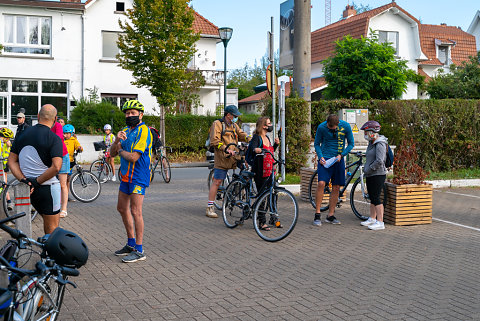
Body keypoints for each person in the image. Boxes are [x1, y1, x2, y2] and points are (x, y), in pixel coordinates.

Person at [8, 104, 63, 235]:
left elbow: (11, 161)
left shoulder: (21, 134)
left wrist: (24, 180)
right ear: (55, 119)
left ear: (38, 117)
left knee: (47, 223)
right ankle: (49, 255)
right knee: (52, 228)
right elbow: (56, 167)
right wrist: (37, 181)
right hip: (48, 188)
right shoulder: (54, 138)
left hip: (29, 189)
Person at [109, 100, 152, 263]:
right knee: (121, 208)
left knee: (136, 211)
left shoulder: (144, 131)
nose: (129, 116)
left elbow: (134, 156)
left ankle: (140, 250)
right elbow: (112, 154)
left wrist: (120, 149)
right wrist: (115, 141)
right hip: (126, 176)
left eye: (133, 113)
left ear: (140, 115)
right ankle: (130, 243)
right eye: (127, 113)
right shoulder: (126, 130)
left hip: (139, 176)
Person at [206, 105, 249, 218]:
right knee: (217, 181)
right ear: (228, 115)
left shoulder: (234, 125)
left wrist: (251, 139)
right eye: (234, 116)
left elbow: (242, 135)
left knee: (246, 171)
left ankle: (235, 192)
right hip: (222, 157)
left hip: (234, 156)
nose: (236, 118)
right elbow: (215, 141)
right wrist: (226, 149)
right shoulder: (217, 124)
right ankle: (210, 207)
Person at [313, 114, 354, 226]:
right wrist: (320, 156)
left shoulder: (345, 126)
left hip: (338, 159)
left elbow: (351, 144)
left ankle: (330, 215)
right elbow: (317, 144)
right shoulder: (321, 127)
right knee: (321, 183)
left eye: (334, 128)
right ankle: (317, 214)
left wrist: (342, 155)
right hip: (325, 159)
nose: (332, 129)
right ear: (327, 123)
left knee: (336, 186)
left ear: (337, 124)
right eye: (330, 128)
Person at [250, 117, 279, 230]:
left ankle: (273, 218)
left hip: (271, 170)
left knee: (273, 194)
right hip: (260, 171)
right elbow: (253, 148)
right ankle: (262, 221)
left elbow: (270, 151)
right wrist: (257, 149)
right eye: (269, 123)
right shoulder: (257, 137)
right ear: (263, 126)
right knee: (262, 196)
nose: (271, 125)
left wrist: (275, 145)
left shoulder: (267, 137)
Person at [360, 120, 388, 230]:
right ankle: (372, 218)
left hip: (378, 174)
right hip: (370, 174)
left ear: (373, 132)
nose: (365, 135)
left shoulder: (380, 143)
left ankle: (380, 222)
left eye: (366, 132)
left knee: (376, 198)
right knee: (371, 197)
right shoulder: (371, 143)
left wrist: (370, 169)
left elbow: (380, 161)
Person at [51, 120, 70, 218]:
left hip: (62, 156)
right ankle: (55, 207)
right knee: (51, 183)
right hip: (51, 157)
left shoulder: (57, 126)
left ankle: (64, 209)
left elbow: (58, 138)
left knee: (63, 184)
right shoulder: (44, 126)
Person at [63, 124, 83, 202]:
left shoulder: (74, 140)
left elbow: (78, 146)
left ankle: (66, 195)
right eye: (64, 133)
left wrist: (80, 148)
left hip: (70, 161)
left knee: (68, 179)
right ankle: (62, 195)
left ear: (71, 133)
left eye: (67, 133)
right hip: (62, 161)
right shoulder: (61, 140)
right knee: (63, 179)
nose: (65, 135)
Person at [0, 128, 14, 210]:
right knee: (4, 184)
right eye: (8, 138)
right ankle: (9, 202)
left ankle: (9, 202)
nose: (9, 140)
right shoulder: (1, 143)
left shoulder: (6, 143)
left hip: (3, 167)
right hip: (2, 166)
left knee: (4, 184)